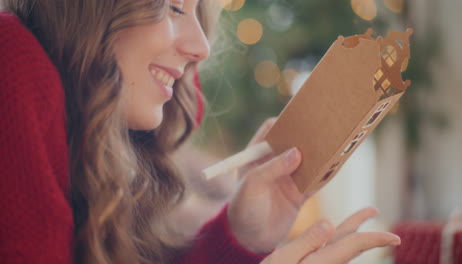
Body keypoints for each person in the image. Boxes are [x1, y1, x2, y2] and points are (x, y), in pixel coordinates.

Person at [0, 0, 401, 263]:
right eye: (174, 7)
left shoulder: (98, 153)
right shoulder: (9, 59)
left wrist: (240, 234)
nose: (202, 46)